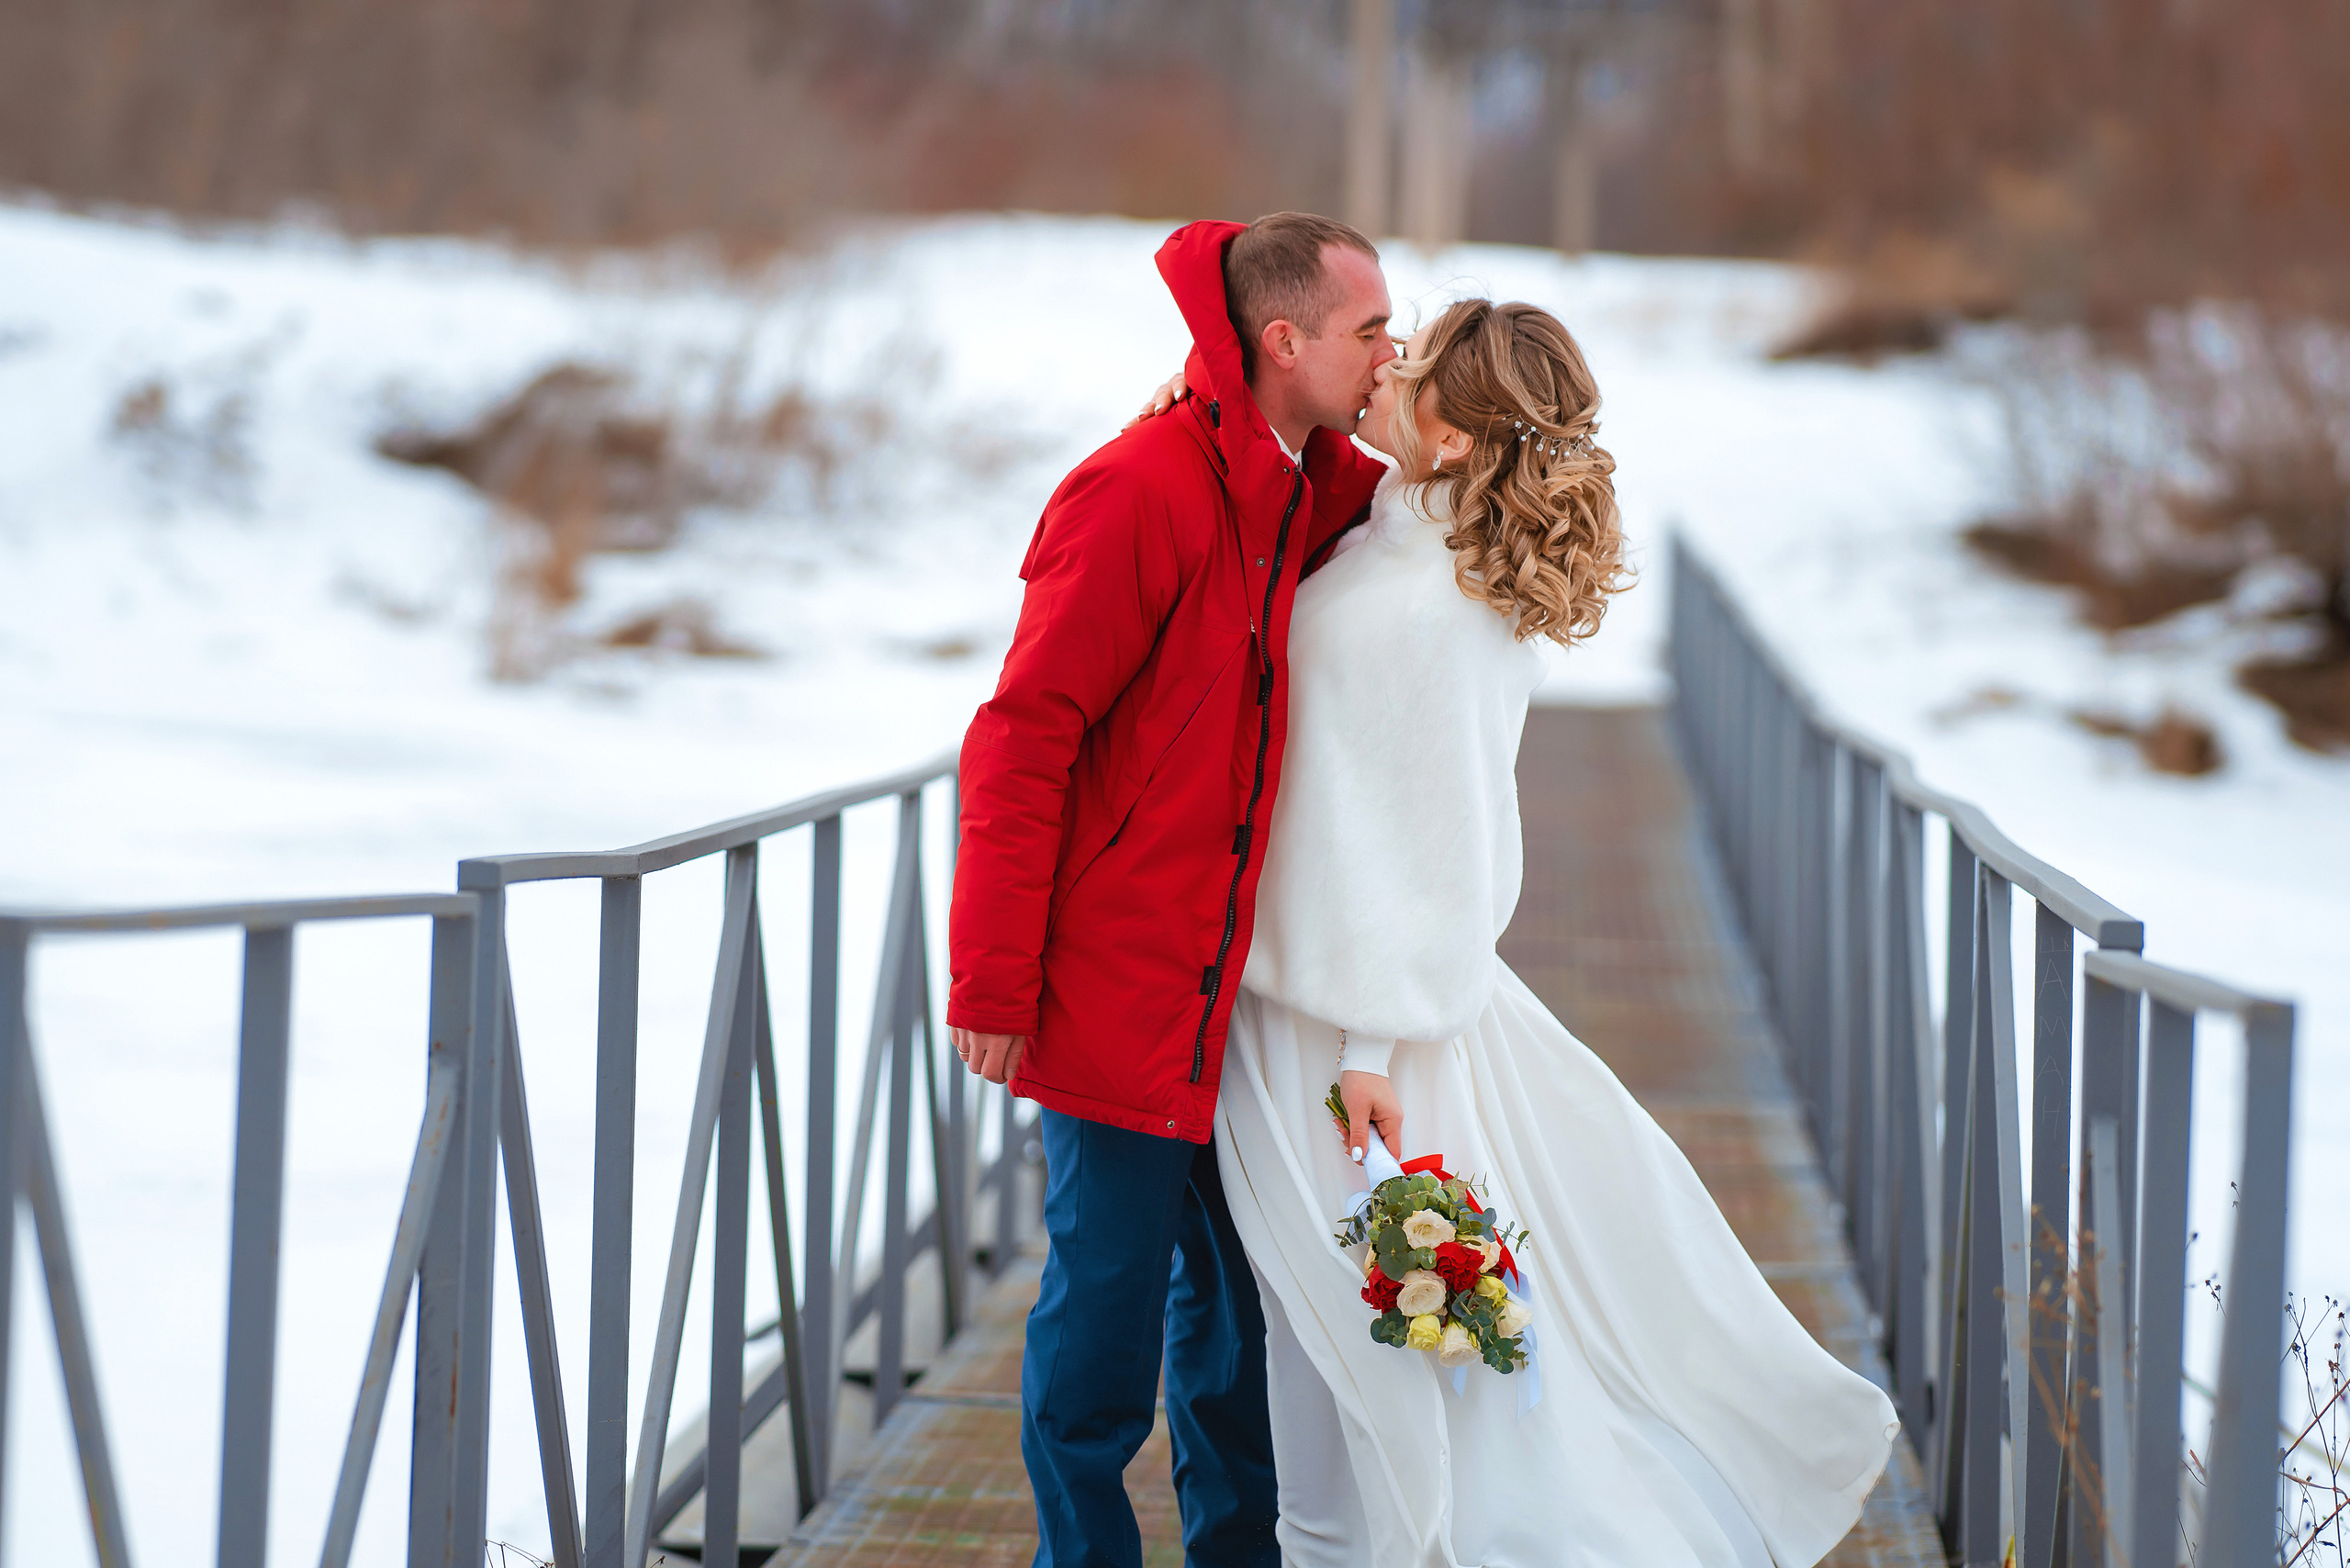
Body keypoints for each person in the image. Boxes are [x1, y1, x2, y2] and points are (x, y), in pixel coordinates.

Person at [1135, 298, 1901, 1567]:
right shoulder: (1394, 538)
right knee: (1320, 1344)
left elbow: (1452, 854)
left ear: (1450, 440)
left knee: (1361, 1361)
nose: (1385, 367)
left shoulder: (1438, 609)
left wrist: (1371, 1046)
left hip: (1352, 1047)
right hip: (1299, 1010)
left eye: (1414, 367)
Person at [946, 212, 1396, 1568]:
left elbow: (1428, 490)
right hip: (1115, 996)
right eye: (1371, 329)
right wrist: (993, 980)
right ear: (1283, 339)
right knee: (1102, 1337)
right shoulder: (1140, 489)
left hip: (1237, 1002)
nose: (1391, 354)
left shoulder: (1299, 482)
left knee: (1237, 1327)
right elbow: (1023, 735)